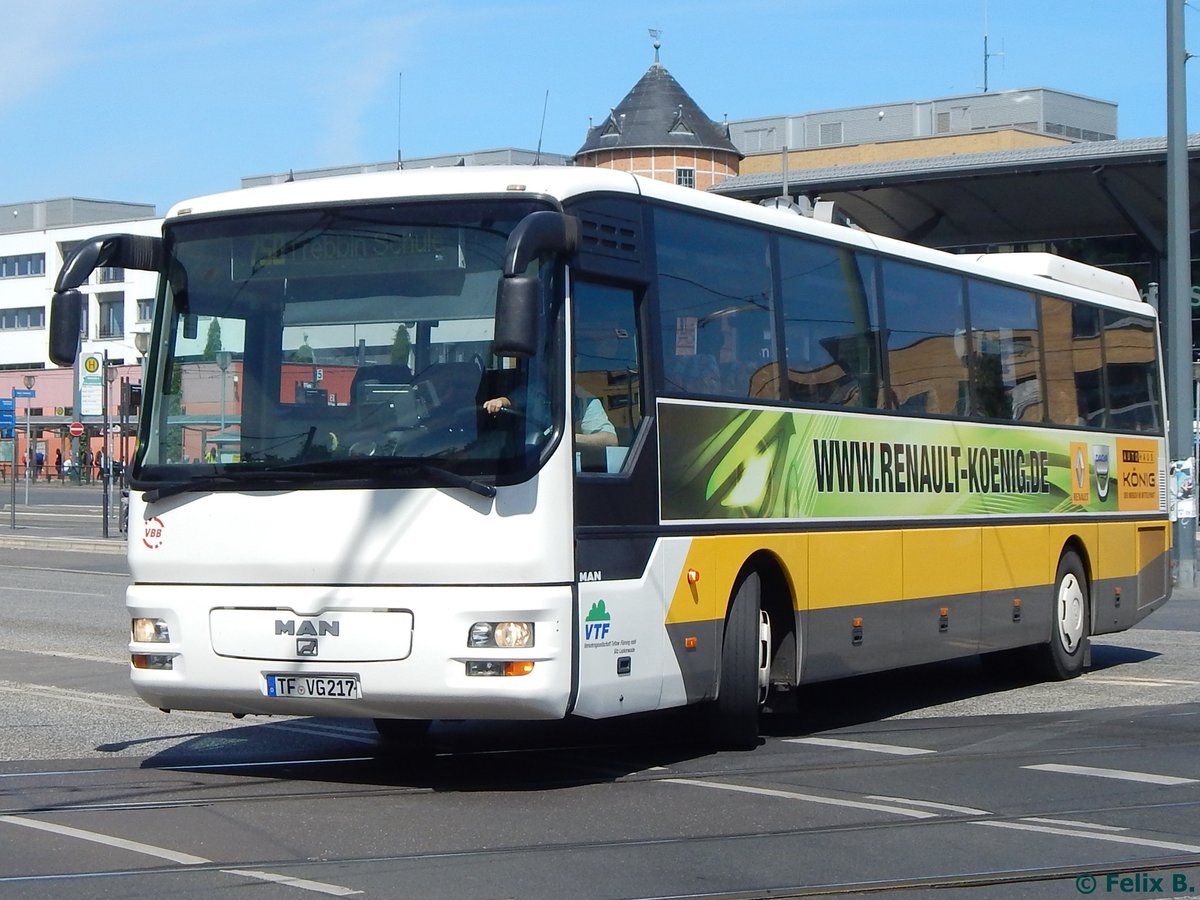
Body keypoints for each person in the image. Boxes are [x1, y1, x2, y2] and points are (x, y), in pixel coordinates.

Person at [484, 386, 617, 447]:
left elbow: (610, 440)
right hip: (522, 460)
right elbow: (511, 401)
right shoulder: (533, 391)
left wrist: (566, 437)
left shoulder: (585, 401)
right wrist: (499, 402)